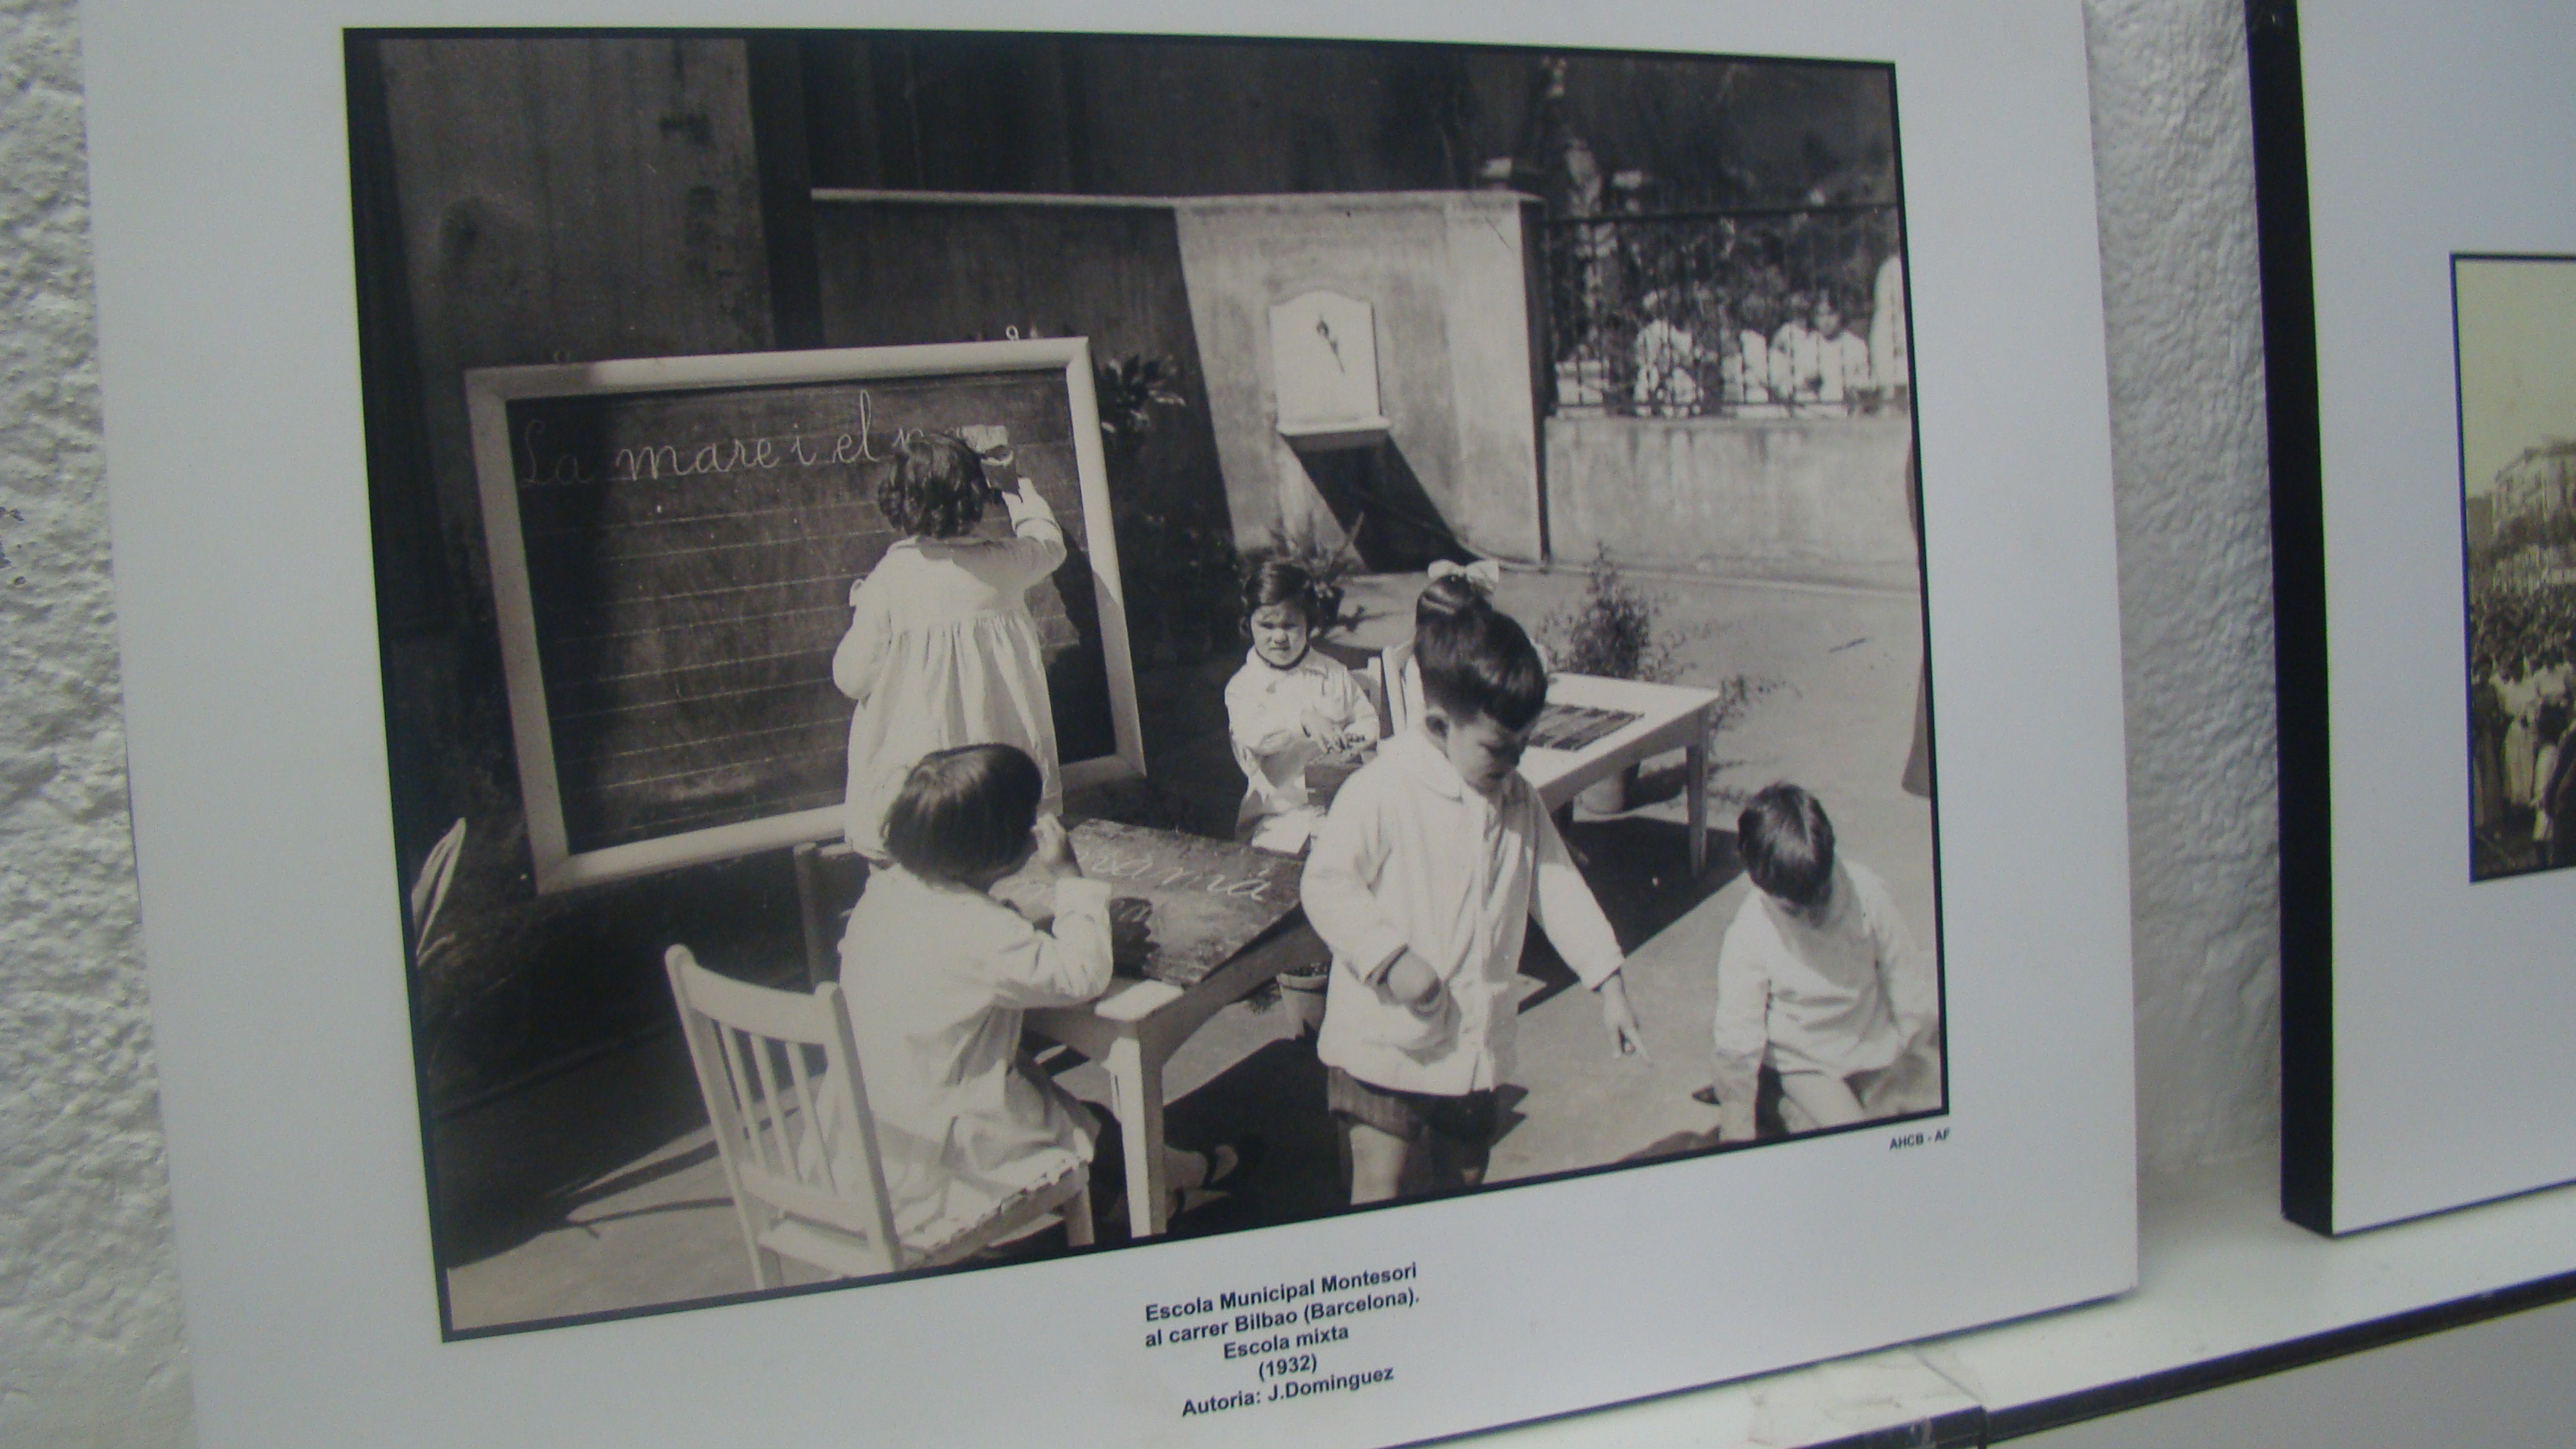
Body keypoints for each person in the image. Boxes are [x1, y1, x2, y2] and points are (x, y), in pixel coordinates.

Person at [1304, 606, 1647, 1204]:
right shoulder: (1385, 789)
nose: (1514, 764)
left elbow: (1558, 887)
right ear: (1439, 726)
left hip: (1471, 1039)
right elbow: (1327, 883)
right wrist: (1389, 957)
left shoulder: (1518, 800)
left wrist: (1608, 981)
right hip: (1383, 1038)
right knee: (1381, 1182)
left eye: (1524, 746)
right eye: (1498, 748)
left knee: (1463, 1175)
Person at [834, 745, 1237, 1241]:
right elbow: (1082, 975)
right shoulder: (979, 931)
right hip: (943, 1150)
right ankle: (1176, 1188)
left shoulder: (887, 892)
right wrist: (1068, 877)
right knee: (1078, 1123)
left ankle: (1167, 1184)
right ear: (1000, 849)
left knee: (1063, 1111)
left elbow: (964, 955)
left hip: (872, 1131)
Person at [834, 432, 1064, 861]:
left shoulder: (889, 580)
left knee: (922, 861)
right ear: (977, 496)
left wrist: (860, 610)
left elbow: (852, 678)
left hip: (922, 786)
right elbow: (1050, 545)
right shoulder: (1003, 562)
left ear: (899, 501)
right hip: (993, 781)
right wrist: (1017, 489)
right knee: (996, 856)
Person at [1705, 784, 1939, 1143]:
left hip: (1871, 1038)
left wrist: (1916, 1047)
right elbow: (1737, 1035)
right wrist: (1736, 1125)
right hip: (1808, 1060)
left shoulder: (1866, 892)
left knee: (1925, 1104)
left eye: (1822, 896)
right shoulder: (1750, 932)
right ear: (1759, 886)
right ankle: (1776, 1099)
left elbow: (1904, 973)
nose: (1812, 916)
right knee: (1859, 1137)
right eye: (1793, 910)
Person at [1225, 560, 1379, 856]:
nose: (1279, 637)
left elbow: (1367, 720)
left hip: (1337, 809)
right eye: (1267, 625)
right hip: (1277, 817)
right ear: (1248, 624)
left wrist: (1351, 739)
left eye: (1290, 625)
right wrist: (1303, 720)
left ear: (1309, 622)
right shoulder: (1243, 688)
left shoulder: (1332, 673)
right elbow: (1253, 735)